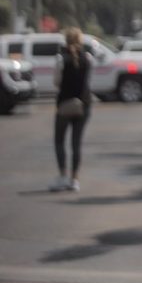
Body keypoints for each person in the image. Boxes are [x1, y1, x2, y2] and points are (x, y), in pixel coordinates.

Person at [50, 27, 92, 192]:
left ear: (66, 41)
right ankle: (75, 180)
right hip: (84, 105)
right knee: (76, 143)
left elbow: (56, 82)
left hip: (64, 105)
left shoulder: (61, 59)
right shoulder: (87, 58)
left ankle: (62, 176)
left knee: (60, 141)